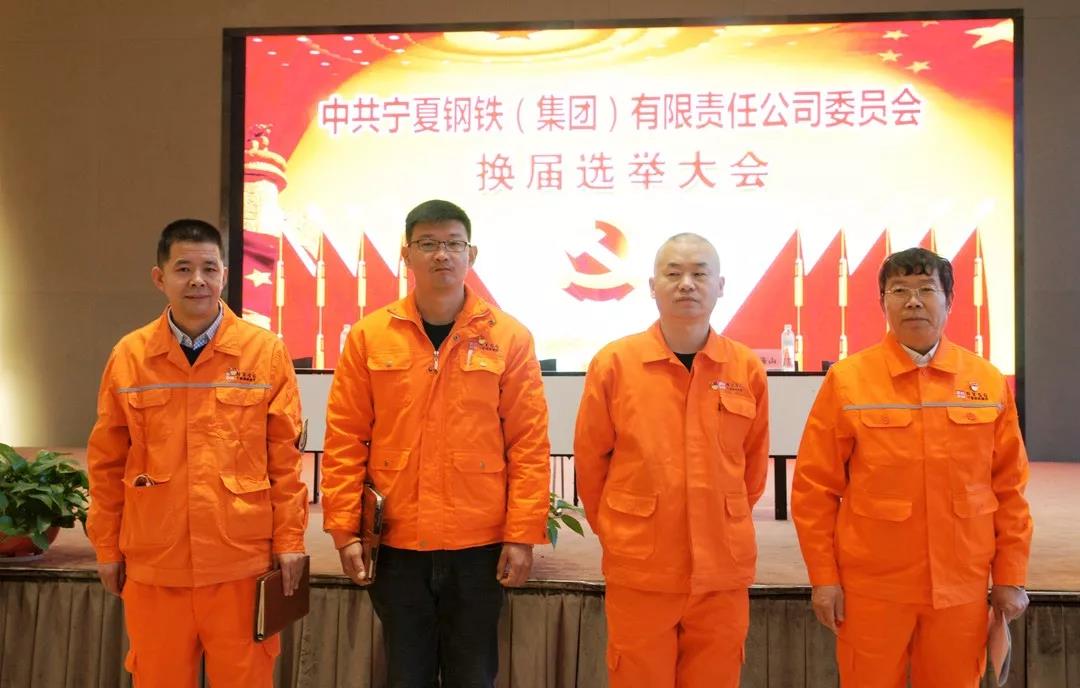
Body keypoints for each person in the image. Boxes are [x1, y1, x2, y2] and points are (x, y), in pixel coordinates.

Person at [321, 199, 550, 688]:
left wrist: (521, 535)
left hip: (479, 546)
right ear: (406, 254)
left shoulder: (509, 337)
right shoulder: (369, 336)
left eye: (453, 243)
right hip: (397, 542)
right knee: (407, 675)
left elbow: (528, 443)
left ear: (472, 254)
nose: (441, 254)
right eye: (427, 243)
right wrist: (344, 530)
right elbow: (345, 438)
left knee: (474, 675)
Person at [791, 247, 1032, 687]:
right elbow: (814, 490)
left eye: (926, 289)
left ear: (950, 300)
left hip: (961, 588)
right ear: (882, 302)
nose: (913, 301)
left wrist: (1011, 577)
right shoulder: (848, 380)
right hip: (872, 590)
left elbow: (1010, 490)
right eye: (899, 291)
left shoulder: (985, 381)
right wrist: (824, 579)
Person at [86, 219, 309, 687]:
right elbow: (106, 462)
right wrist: (106, 546)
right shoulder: (130, 356)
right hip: (155, 564)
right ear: (159, 277)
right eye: (183, 268)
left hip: (241, 564)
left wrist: (290, 542)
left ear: (225, 274)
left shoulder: (264, 353)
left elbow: (285, 460)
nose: (197, 280)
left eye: (209, 268)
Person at [573, 233, 769, 688]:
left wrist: (720, 519)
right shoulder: (615, 364)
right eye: (673, 273)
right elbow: (591, 461)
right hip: (641, 569)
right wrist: (623, 531)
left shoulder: (744, 368)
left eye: (700, 273)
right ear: (652, 286)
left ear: (721, 286)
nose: (686, 284)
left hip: (722, 572)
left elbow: (753, 467)